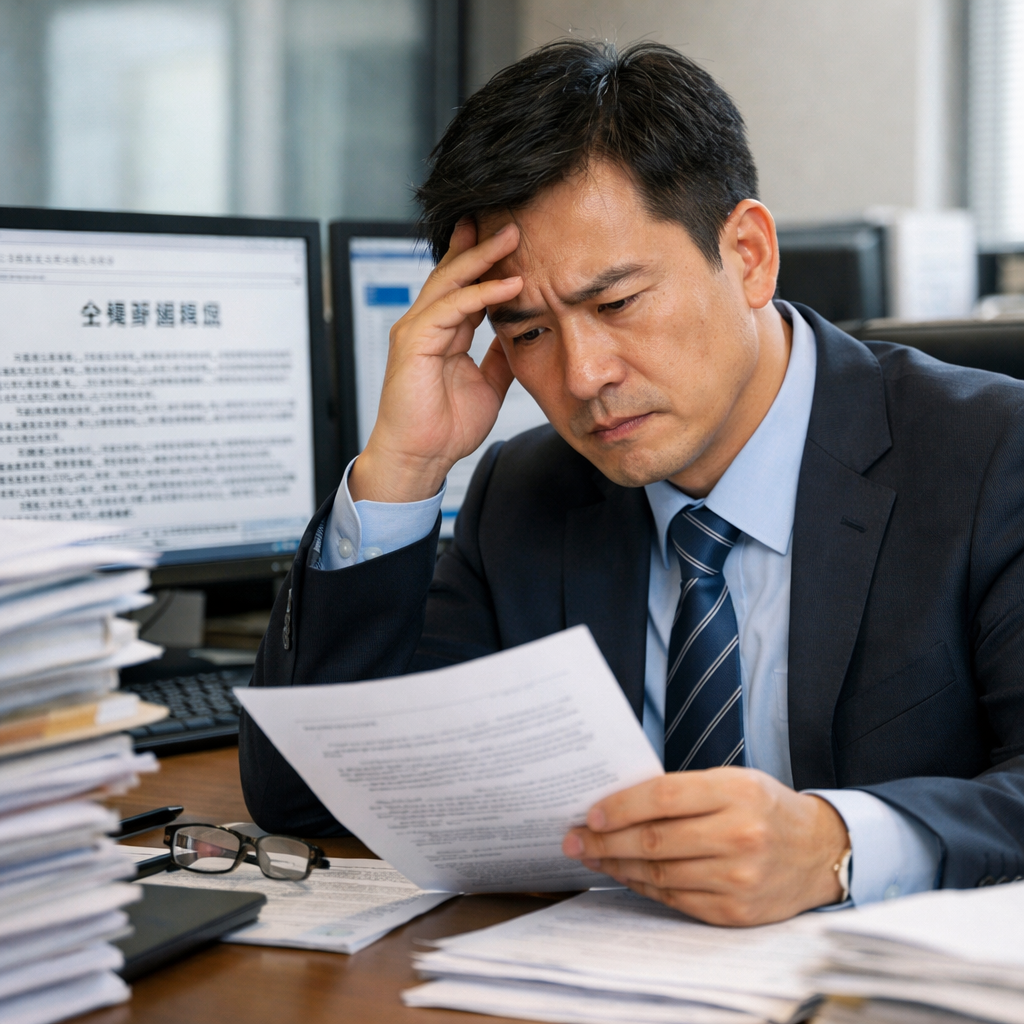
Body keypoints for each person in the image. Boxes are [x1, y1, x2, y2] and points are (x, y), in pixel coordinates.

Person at [240, 41, 1024, 926]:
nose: (582, 376)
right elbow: (307, 800)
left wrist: (838, 845)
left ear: (750, 254)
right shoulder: (525, 492)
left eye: (616, 304)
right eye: (527, 331)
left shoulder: (992, 454)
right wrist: (404, 469)